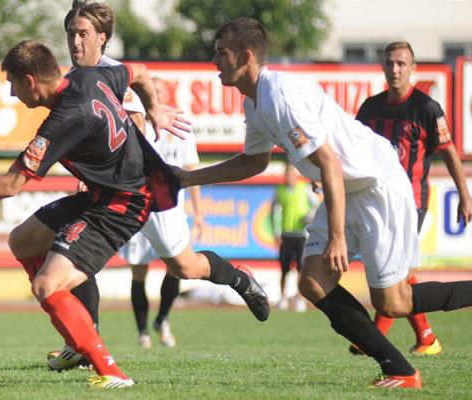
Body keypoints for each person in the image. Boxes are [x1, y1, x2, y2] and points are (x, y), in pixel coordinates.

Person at [174, 17, 472, 390]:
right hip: (344, 187)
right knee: (313, 283)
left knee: (394, 303)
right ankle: (400, 370)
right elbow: (255, 161)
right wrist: (189, 177)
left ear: (246, 56)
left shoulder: (280, 96)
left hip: (377, 185)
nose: (214, 62)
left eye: (221, 54)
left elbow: (329, 161)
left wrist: (337, 238)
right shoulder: (254, 102)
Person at [0, 39, 191, 388]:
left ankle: (108, 370)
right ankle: (76, 338)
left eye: (12, 84)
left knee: (46, 285)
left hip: (122, 204)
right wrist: (153, 107)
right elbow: (140, 73)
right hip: (105, 194)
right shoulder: (90, 77)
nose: (12, 93)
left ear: (30, 81)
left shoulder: (64, 118)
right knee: (23, 241)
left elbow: (10, 185)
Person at [45, 0, 269, 371]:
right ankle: (84, 343)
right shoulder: (75, 75)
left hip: (142, 190)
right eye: (70, 33)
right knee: (71, 255)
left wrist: (149, 111)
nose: (75, 41)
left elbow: (129, 132)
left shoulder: (114, 73)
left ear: (102, 39)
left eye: (82, 34)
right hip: (110, 192)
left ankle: (238, 278)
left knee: (184, 266)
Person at [351, 41, 472, 357]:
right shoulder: (370, 109)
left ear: (413, 68)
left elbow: (449, 153)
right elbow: (352, 152)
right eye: (390, 63)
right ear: (382, 67)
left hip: (411, 203)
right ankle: (427, 337)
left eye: (401, 64)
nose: (395, 70)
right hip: (375, 201)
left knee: (397, 270)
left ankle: (373, 339)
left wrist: (464, 194)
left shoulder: (427, 108)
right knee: (396, 270)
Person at [120, 77, 204, 349]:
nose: (151, 96)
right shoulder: (132, 124)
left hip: (171, 210)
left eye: (156, 92)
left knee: (178, 268)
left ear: (164, 95)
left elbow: (190, 170)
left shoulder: (180, 124)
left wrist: (199, 213)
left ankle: (163, 318)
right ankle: (143, 332)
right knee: (139, 272)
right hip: (138, 210)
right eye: (146, 92)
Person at [270, 162, 314, 312]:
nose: (289, 176)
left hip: (302, 235)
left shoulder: (304, 188)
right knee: (284, 269)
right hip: (286, 235)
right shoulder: (280, 191)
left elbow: (315, 205)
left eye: (292, 173)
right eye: (287, 173)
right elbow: (273, 212)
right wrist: (276, 232)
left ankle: (299, 299)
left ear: (296, 174)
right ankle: (282, 299)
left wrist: (310, 216)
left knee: (301, 269)